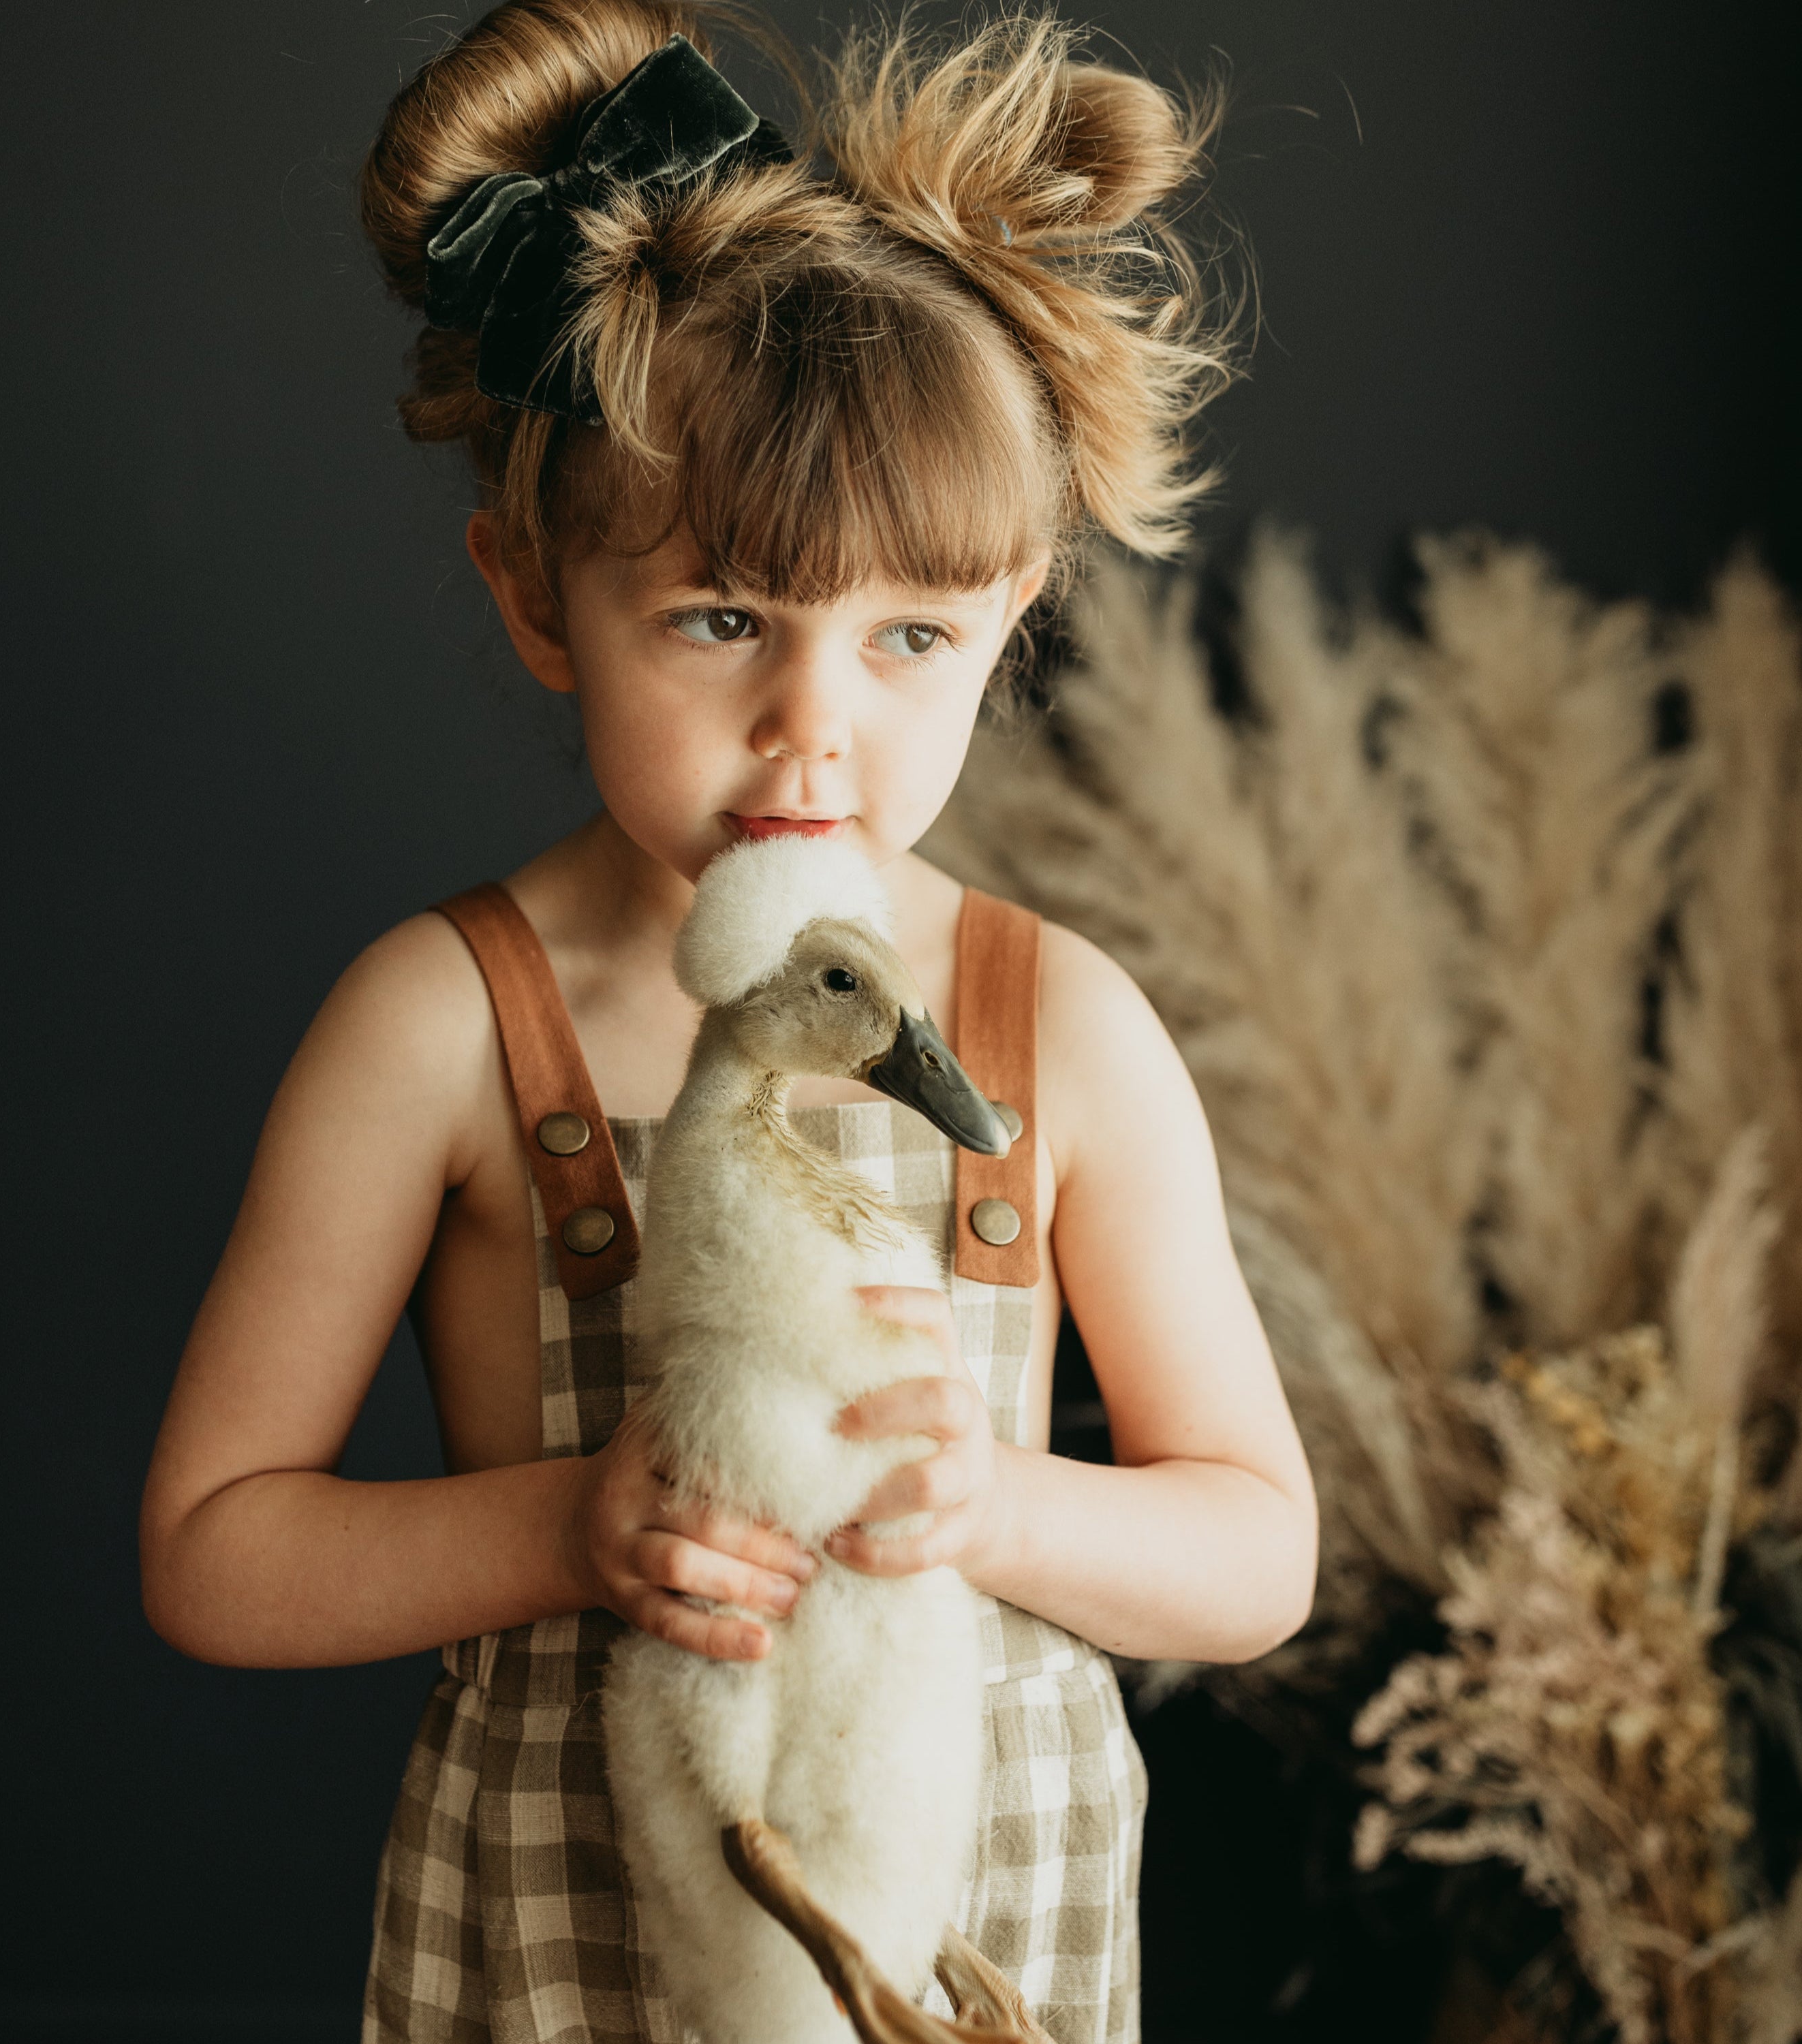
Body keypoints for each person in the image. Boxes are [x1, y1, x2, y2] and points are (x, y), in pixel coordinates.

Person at [139, 5, 1317, 2041]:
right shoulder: (442, 1026)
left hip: (968, 1914)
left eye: (910, 637)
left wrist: (1001, 1506)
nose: (812, 727)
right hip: (590, 1903)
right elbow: (216, 1552)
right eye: (719, 619)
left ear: (1014, 606)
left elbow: (1253, 1548)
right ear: (534, 596)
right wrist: (573, 1526)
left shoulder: (1062, 1029)